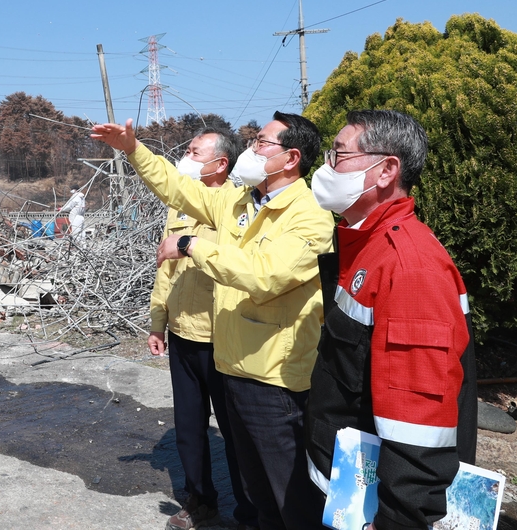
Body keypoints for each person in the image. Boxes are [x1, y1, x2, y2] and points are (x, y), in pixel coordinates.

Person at [92, 112, 334, 530]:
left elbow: (263, 275)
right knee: (257, 493)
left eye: (261, 142)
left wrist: (191, 244)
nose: (251, 149)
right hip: (231, 365)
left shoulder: (310, 215)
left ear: (291, 157)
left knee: (290, 496)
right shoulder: (237, 201)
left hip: (275, 379)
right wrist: (132, 149)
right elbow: (178, 187)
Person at [305, 110, 476, 530]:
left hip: (377, 509)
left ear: (386, 171)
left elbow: (417, 420)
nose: (326, 167)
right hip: (345, 489)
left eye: (338, 155)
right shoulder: (366, 242)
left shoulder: (410, 267)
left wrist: (399, 520)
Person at [150, 127, 257, 530]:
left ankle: (250, 511)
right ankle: (201, 500)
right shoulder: (179, 208)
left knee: (236, 432)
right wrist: (158, 320)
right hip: (182, 335)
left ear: (220, 163)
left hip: (224, 338)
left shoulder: (239, 208)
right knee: (189, 428)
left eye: (195, 153)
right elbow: (166, 268)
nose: (187, 159)